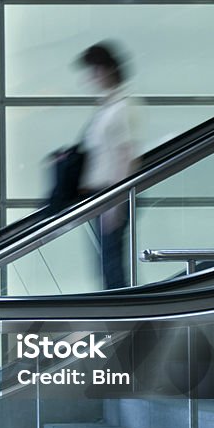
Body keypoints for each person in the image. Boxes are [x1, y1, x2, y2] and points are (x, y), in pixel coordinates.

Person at [75, 42, 141, 290]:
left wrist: (116, 203)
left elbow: (126, 155)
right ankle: (122, 322)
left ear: (108, 69)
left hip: (112, 194)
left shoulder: (124, 107)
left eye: (95, 70)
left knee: (113, 265)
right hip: (99, 196)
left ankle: (128, 323)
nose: (91, 77)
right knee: (106, 264)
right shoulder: (107, 106)